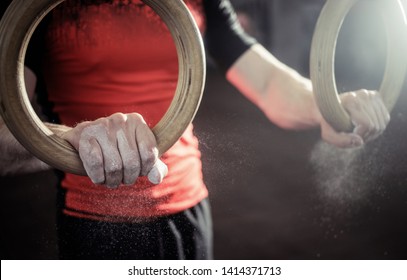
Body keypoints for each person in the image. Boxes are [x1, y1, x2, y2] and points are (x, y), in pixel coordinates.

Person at [0, 0, 389, 259]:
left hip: (188, 212)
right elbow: (5, 135)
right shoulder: (41, 8)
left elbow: (271, 84)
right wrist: (76, 139)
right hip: (95, 222)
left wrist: (330, 104)